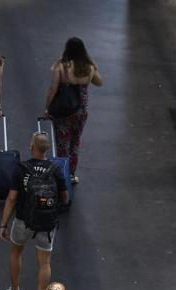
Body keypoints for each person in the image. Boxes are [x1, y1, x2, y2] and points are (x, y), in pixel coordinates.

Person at [0, 132, 68, 290]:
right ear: (47, 149)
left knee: (16, 252)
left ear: (32, 147)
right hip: (47, 223)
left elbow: (12, 198)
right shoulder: (56, 169)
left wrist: (3, 224)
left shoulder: (22, 168)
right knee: (45, 262)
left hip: (23, 220)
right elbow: (65, 197)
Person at [44, 37, 102, 186]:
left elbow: (53, 88)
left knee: (62, 144)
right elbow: (98, 82)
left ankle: (62, 174)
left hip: (64, 111)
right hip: (81, 112)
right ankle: (71, 174)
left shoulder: (62, 66)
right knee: (75, 143)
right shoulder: (88, 67)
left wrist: (47, 107)